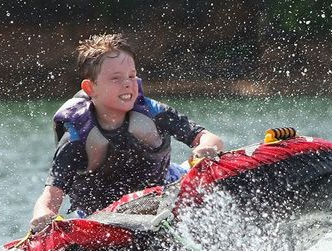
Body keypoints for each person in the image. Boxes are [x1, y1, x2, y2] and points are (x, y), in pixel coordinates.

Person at [30, 33, 224, 231]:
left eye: (132, 76)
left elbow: (209, 138)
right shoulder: (75, 138)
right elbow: (50, 198)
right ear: (90, 88)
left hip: (167, 188)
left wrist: (207, 147)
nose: (127, 83)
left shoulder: (153, 113)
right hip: (103, 218)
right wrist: (43, 215)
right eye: (116, 78)